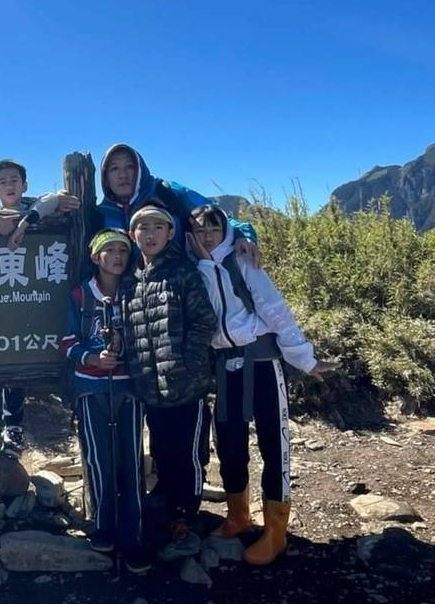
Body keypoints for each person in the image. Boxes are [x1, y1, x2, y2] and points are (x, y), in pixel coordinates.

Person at [187, 204, 331, 565]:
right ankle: (238, 515)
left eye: (213, 229)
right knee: (230, 442)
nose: (207, 236)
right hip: (225, 366)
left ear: (225, 231)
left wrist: (304, 358)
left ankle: (275, 531)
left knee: (272, 443)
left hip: (263, 362)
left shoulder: (243, 262)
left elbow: (275, 310)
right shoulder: (194, 269)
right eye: (200, 230)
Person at [0, 158, 80, 458]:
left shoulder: (35, 206)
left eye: (14, 180)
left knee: (18, 363)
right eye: (3, 182)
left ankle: (14, 426)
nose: (9, 186)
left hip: (25, 303)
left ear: (24, 184)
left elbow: (53, 199)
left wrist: (26, 222)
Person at [121, 205, 217, 554]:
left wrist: (189, 367)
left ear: (170, 233)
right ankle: (165, 501)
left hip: (186, 385)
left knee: (188, 453)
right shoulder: (129, 280)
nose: (150, 234)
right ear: (133, 235)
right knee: (161, 448)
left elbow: (204, 322)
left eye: (157, 228)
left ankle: (185, 513)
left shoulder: (182, 273)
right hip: (149, 386)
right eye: (142, 228)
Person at [61, 229, 149, 574]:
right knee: (99, 460)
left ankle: (134, 536)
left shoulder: (136, 292)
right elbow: (67, 342)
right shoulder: (80, 295)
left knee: (131, 461)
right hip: (90, 389)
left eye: (122, 251)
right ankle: (103, 525)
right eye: (109, 250)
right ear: (96, 257)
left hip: (129, 389)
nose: (117, 257)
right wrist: (91, 357)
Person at [94, 143, 259, 258]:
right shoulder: (100, 215)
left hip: (183, 290)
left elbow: (216, 218)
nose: (123, 175)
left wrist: (242, 236)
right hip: (131, 299)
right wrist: (67, 210)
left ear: (140, 169)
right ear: (105, 177)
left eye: (129, 166)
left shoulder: (165, 192)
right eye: (114, 168)